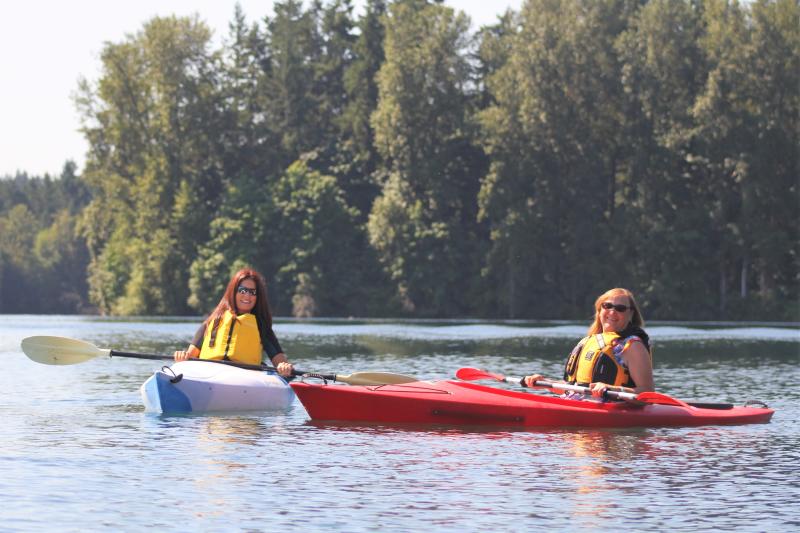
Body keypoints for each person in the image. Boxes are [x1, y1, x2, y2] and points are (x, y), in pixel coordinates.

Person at [524, 287, 654, 398]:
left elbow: (648, 393)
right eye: (607, 306)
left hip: (613, 411)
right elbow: (573, 387)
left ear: (630, 313)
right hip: (578, 403)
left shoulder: (632, 346)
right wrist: (544, 382)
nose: (612, 312)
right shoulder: (587, 341)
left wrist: (611, 389)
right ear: (599, 310)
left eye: (620, 308)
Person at [174, 268, 295, 378]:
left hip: (245, 377)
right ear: (233, 291)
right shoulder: (213, 321)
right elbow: (190, 356)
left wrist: (285, 368)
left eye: (252, 292)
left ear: (257, 297)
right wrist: (182, 357)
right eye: (242, 290)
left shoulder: (261, 326)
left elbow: (281, 362)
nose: (247, 295)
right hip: (208, 373)